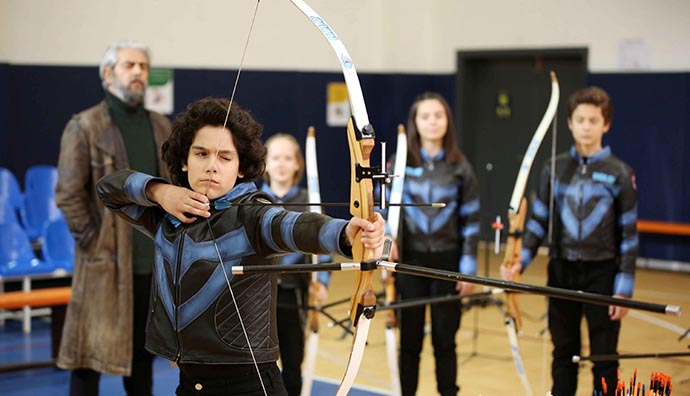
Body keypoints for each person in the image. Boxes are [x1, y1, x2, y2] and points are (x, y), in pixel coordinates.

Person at [95, 97, 385, 396]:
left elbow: (295, 227)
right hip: (189, 383)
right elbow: (108, 189)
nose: (211, 166)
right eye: (201, 153)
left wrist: (347, 234)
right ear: (185, 160)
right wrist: (159, 191)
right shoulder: (167, 216)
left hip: (249, 385)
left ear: (242, 168)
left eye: (225, 157)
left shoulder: (253, 216)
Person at [501, 86, 637, 396]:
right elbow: (537, 222)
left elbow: (629, 232)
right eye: (580, 120)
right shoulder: (555, 167)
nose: (586, 126)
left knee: (603, 356)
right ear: (570, 123)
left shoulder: (619, 173)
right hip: (561, 271)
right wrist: (519, 260)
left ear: (606, 124)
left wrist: (624, 286)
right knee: (564, 352)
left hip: (603, 273)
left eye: (593, 120)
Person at [55, 41, 171, 396]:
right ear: (108, 75)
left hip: (150, 265)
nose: (138, 72)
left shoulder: (162, 127)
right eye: (128, 65)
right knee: (87, 360)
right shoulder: (84, 126)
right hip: (102, 268)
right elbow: (68, 194)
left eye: (143, 66)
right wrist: (94, 241)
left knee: (143, 361)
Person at [388, 92, 480, 396]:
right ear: (415, 122)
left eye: (438, 116)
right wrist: (388, 239)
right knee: (409, 341)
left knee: (445, 339)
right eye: (425, 116)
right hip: (409, 262)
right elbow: (381, 207)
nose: (432, 122)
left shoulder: (460, 167)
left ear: (447, 122)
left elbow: (471, 220)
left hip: (448, 262)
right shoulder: (398, 164)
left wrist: (467, 264)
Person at [261, 133, 330, 396]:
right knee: (259, 365)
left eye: (288, 158)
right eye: (275, 157)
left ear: (298, 165)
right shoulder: (253, 199)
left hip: (292, 292)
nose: (281, 163)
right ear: (264, 163)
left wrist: (321, 283)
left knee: (292, 362)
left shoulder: (308, 200)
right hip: (258, 295)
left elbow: (323, 248)